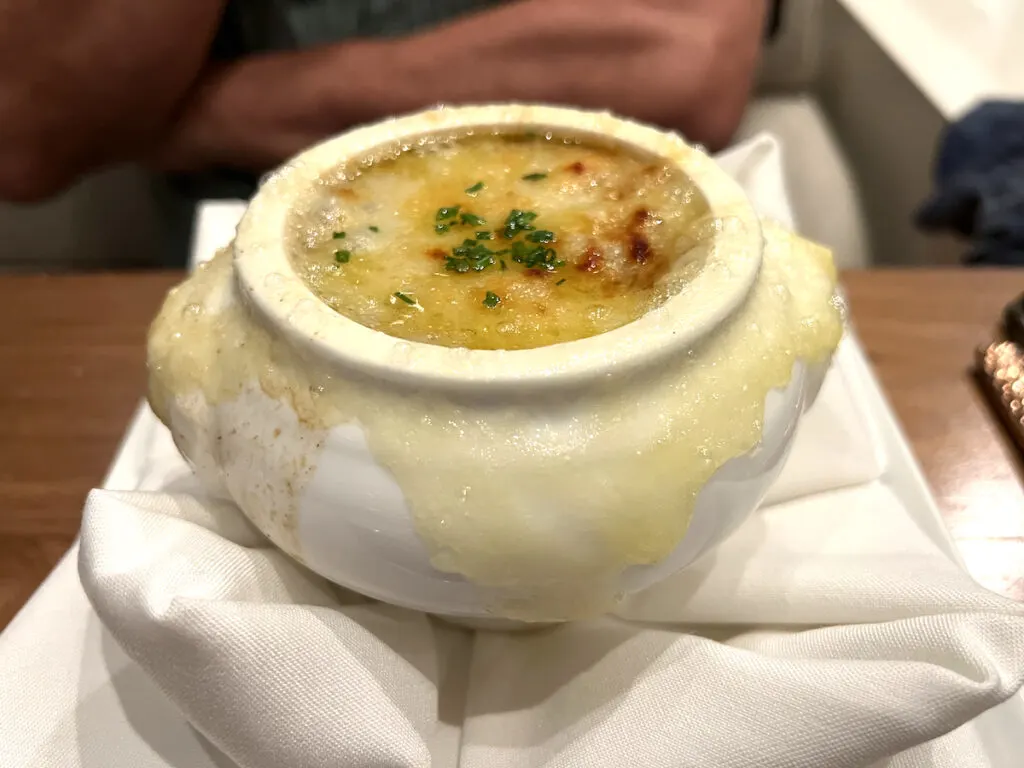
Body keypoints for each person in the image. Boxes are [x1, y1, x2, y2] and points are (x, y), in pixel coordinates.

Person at [0, 0, 770, 205]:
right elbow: (30, 129)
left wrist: (203, 115)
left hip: (599, 239)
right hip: (229, 265)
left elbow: (680, 61)